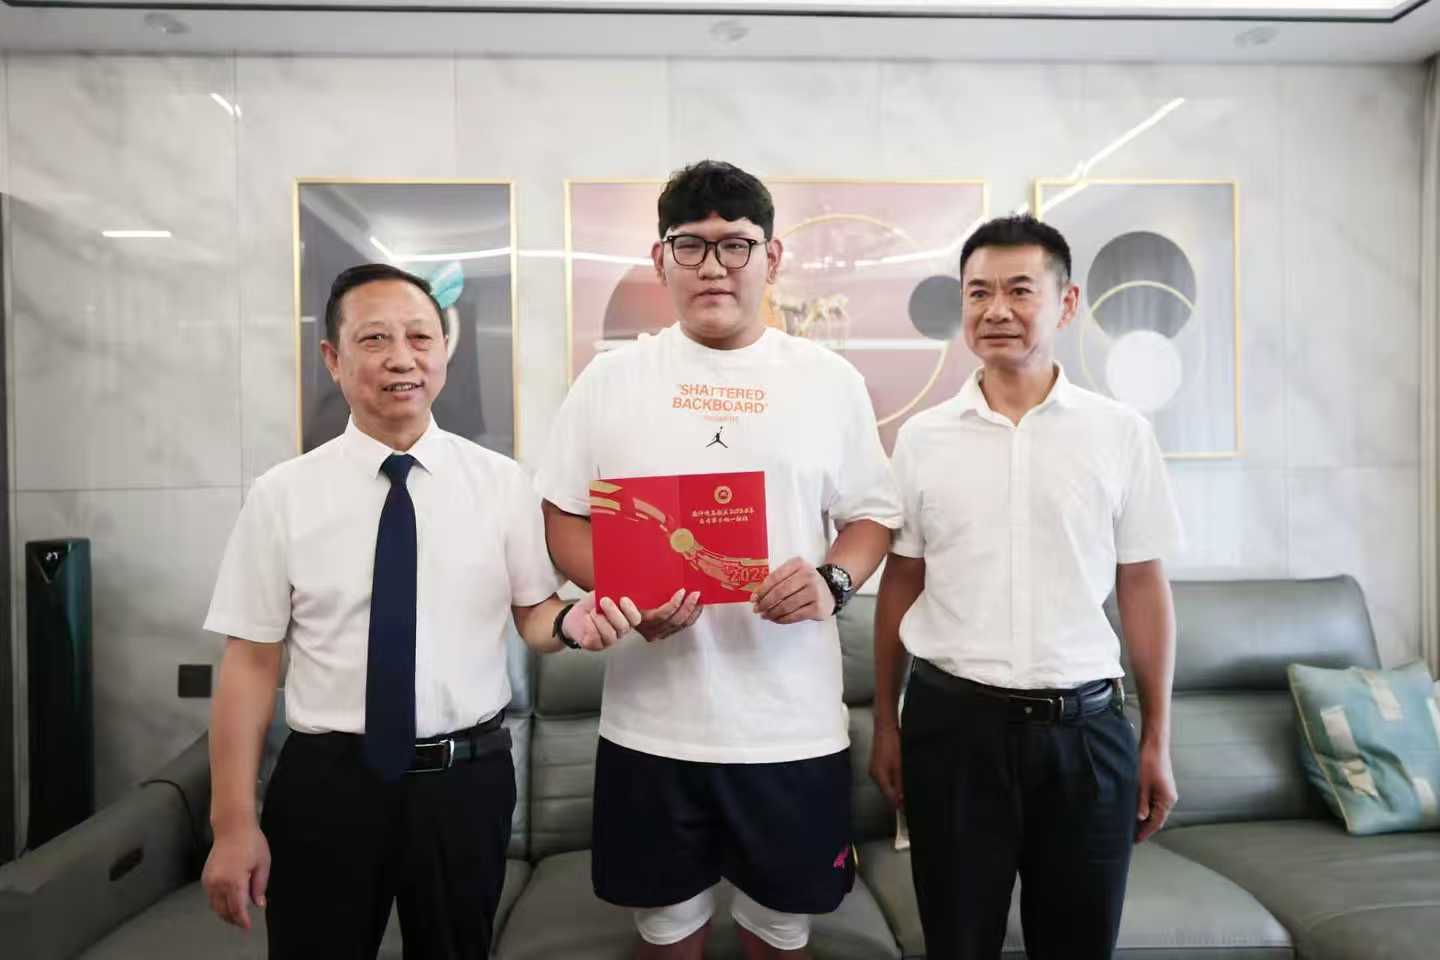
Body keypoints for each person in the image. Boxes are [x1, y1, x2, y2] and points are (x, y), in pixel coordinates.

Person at [200, 263, 637, 959]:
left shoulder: (501, 484)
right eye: (374, 339)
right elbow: (249, 664)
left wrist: (571, 624)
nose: (401, 358)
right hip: (327, 785)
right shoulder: (282, 497)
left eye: (420, 337)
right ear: (333, 358)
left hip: (464, 783)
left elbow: (535, 614)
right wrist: (231, 825)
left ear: (444, 351)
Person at [536, 160, 902, 960]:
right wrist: (625, 593)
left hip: (790, 730)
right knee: (666, 935)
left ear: (772, 258)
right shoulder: (611, 380)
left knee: (781, 935)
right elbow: (561, 515)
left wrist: (834, 580)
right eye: (690, 245)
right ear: (659, 258)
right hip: (653, 726)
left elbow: (873, 515)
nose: (713, 266)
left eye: (735, 245)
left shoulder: (828, 381)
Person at [871, 214, 1184, 959]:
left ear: (1066, 303)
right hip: (952, 731)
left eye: (1020, 290)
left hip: (1086, 736)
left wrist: (1156, 738)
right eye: (978, 292)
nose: (996, 310)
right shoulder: (922, 439)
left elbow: (1143, 587)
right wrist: (887, 721)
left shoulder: (1120, 433)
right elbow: (900, 583)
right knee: (957, 944)